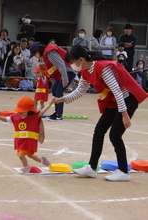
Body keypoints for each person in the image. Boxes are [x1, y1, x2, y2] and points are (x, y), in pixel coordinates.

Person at [55, 45, 147, 181]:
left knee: (115, 135)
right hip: (114, 100)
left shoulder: (103, 68)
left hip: (127, 99)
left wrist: (125, 115)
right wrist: (61, 99)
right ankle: (92, 168)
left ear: (81, 60)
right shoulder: (86, 71)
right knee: (99, 131)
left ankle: (123, 171)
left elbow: (117, 91)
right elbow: (80, 91)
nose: (73, 66)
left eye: (73, 62)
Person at [0, 96, 54, 174]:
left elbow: (42, 111)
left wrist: (49, 104)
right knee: (30, 155)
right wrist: (0, 117)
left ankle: (26, 168)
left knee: (21, 156)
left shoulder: (34, 116)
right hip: (20, 141)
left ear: (29, 110)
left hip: (29, 141)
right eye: (19, 111)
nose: (20, 113)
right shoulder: (15, 117)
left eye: (22, 112)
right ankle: (42, 161)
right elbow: (6, 119)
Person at [29, 42, 77, 121]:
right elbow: (56, 63)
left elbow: (61, 65)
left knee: (58, 91)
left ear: (37, 51)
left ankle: (59, 115)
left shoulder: (50, 53)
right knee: (54, 90)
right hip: (62, 73)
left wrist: (65, 80)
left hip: (68, 72)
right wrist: (44, 65)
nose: (35, 56)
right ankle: (56, 113)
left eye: (34, 54)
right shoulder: (47, 54)